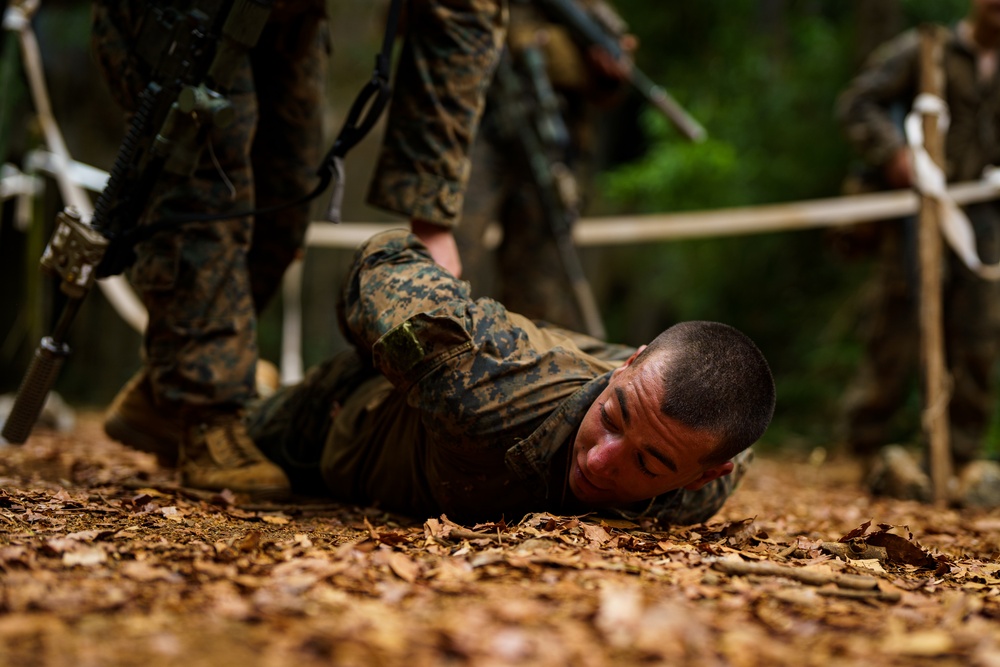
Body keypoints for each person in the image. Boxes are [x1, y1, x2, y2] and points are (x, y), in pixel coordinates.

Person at [93, 0, 507, 499]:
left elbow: (459, 25)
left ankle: (162, 397)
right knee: (206, 182)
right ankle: (207, 411)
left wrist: (430, 216)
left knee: (285, 196)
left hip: (290, 15)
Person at [245, 228, 775, 524]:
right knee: (206, 432)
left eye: (647, 462)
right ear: (628, 365)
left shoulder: (699, 493)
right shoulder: (478, 386)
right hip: (338, 417)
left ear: (705, 475)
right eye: (613, 418)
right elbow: (381, 260)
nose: (599, 459)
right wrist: (385, 352)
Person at [835, 0, 1000, 507]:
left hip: (986, 220)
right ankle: (867, 450)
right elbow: (857, 103)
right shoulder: (924, 49)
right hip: (916, 216)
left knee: (980, 333)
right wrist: (895, 156)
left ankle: (959, 457)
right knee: (896, 327)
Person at [455, 0, 633, 334]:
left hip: (549, 137)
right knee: (448, 265)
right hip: (473, 123)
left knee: (541, 291)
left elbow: (613, 76)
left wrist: (603, 66)